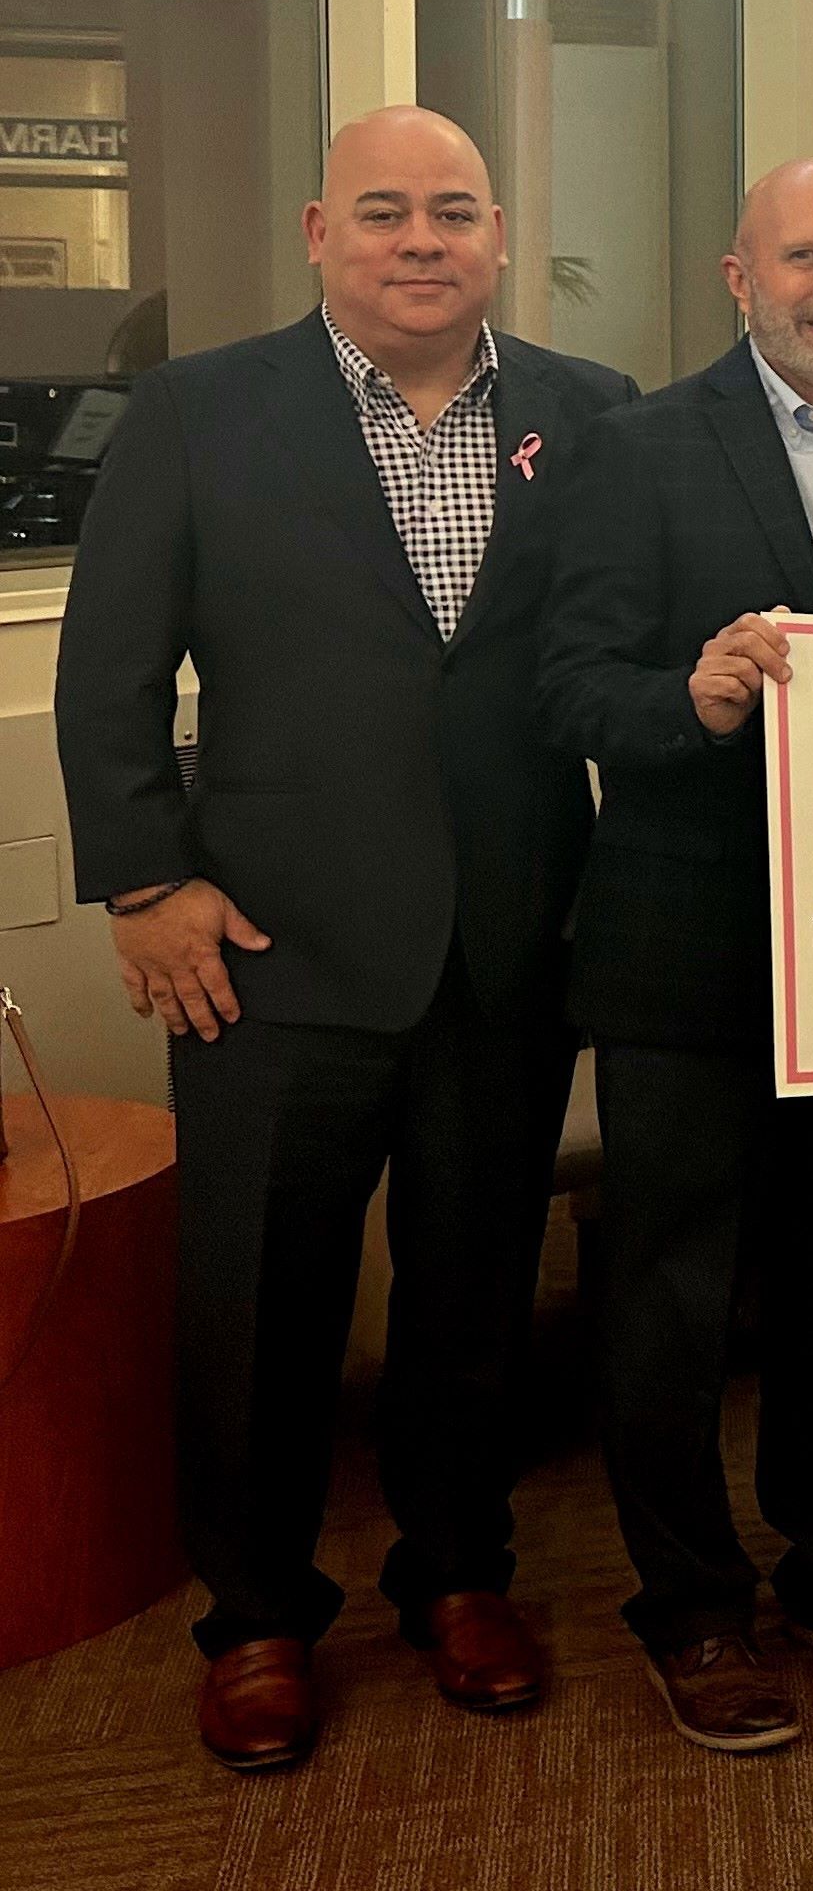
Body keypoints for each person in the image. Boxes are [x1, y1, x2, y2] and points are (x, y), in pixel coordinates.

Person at [53, 109, 635, 1775]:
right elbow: (108, 671)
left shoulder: (592, 413)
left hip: (507, 948)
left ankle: (457, 1571)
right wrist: (145, 886)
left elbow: (626, 643)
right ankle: (253, 1616)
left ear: (500, 235)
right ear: (322, 232)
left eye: (454, 211)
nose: (421, 241)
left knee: (472, 1294)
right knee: (258, 1308)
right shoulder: (199, 411)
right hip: (269, 948)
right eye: (385, 212)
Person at [539, 161, 813, 1751]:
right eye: (804, 255)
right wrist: (691, 697)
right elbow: (571, 684)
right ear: (742, 277)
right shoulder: (641, 446)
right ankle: (691, 1602)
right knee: (670, 1293)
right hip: (691, 944)